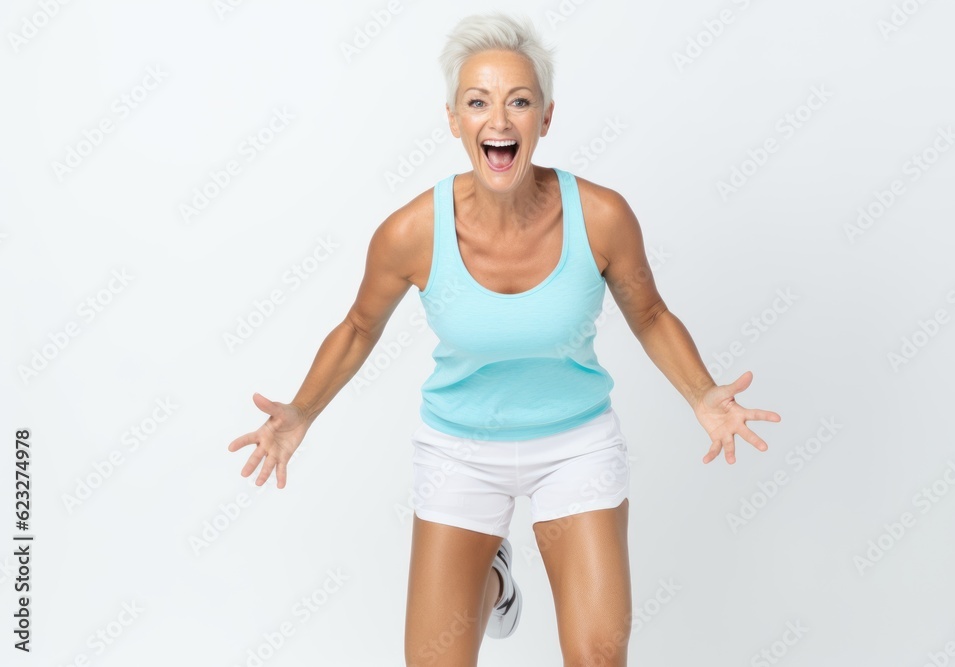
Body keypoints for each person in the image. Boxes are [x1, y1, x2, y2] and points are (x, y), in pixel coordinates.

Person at [228, 11, 781, 666]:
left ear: (545, 118)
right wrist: (301, 411)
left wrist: (703, 395)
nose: (499, 120)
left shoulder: (601, 216)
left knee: (600, 655)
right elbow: (357, 327)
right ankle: (494, 578)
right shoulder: (412, 232)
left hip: (574, 444)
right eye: (478, 102)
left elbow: (651, 313)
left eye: (519, 101)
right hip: (460, 450)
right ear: (454, 118)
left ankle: (492, 573)